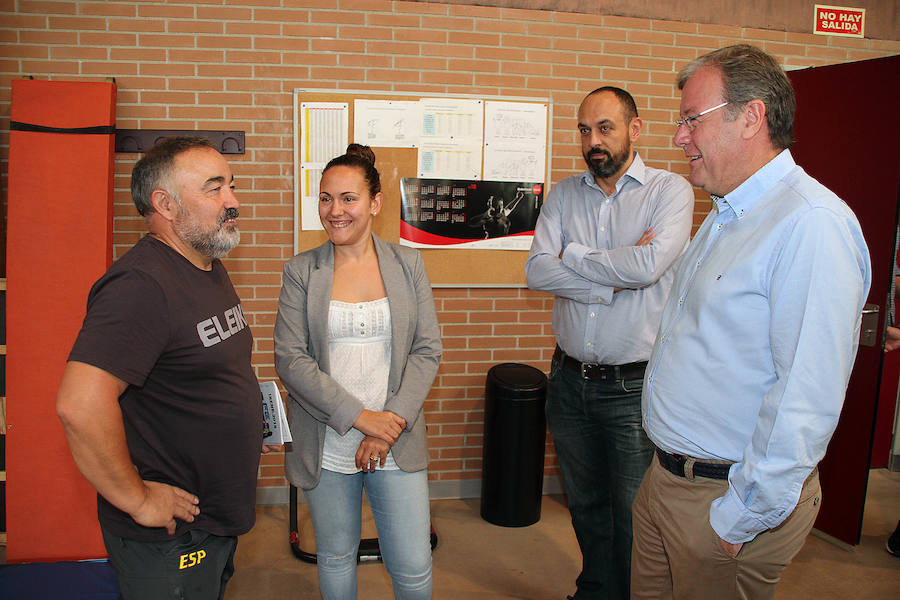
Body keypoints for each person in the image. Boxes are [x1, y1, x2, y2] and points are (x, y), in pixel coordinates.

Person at [633, 44, 871, 599]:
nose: (678, 136)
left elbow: (804, 396)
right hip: (667, 481)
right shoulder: (725, 213)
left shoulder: (810, 224)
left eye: (692, 118)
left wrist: (741, 515)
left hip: (723, 504)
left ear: (751, 116)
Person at [56, 136, 275, 600]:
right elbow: (80, 404)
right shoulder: (140, 285)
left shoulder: (203, 264)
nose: (232, 201)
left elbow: (201, 370)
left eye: (231, 186)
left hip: (212, 516)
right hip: (171, 535)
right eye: (214, 188)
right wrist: (137, 498)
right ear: (166, 205)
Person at [525, 86, 694, 599]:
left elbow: (647, 267)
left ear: (634, 130)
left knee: (632, 510)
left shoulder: (670, 191)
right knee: (586, 503)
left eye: (604, 128)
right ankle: (595, 588)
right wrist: (610, 276)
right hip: (569, 380)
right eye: (583, 130)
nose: (592, 140)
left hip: (632, 387)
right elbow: (536, 271)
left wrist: (572, 254)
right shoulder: (563, 194)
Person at [274, 144, 442, 599]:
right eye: (326, 198)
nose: (335, 210)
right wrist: (360, 417)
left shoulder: (408, 265)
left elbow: (427, 350)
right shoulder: (301, 271)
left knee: (411, 564)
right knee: (335, 556)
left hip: (396, 437)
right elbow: (291, 359)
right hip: (327, 441)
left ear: (375, 203)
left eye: (348, 198)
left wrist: (386, 425)